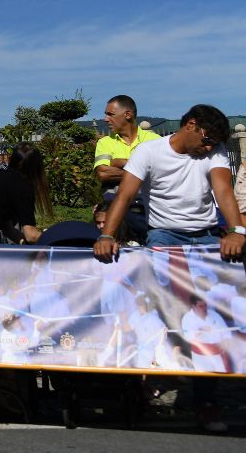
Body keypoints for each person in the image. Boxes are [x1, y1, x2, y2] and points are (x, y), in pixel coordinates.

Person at [95, 104, 243, 434]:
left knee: (209, 319)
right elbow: (124, 195)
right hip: (164, 235)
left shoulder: (214, 150)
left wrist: (236, 230)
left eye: (213, 143)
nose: (209, 147)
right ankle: (148, 386)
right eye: (206, 140)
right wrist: (106, 235)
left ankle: (206, 401)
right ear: (190, 125)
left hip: (204, 236)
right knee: (161, 312)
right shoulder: (149, 152)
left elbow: (223, 191)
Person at [93, 95, 157, 244]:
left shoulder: (154, 140)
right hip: (116, 214)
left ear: (128, 115)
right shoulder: (105, 142)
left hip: (148, 212)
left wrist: (118, 162)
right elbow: (103, 173)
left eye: (110, 114)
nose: (106, 119)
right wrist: (141, 167)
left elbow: (160, 172)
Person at [0, 144, 50, 244]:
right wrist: (53, 239)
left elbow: (8, 230)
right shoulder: (22, 186)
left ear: (12, 159)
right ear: (37, 167)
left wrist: (25, 244)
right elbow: (31, 235)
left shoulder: (0, 174)